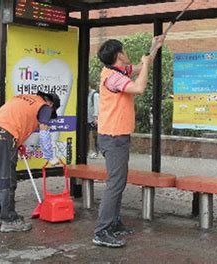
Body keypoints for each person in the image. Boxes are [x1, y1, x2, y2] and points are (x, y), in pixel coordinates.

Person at [92, 35, 165, 248]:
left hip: (117, 135)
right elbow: (139, 87)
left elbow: (142, 67)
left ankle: (113, 223)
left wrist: (154, 47)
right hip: (113, 137)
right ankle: (101, 230)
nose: (126, 52)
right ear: (119, 55)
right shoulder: (113, 78)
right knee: (115, 183)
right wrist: (147, 64)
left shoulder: (116, 71)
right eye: (123, 49)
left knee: (118, 181)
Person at [0, 91, 61, 233]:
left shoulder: (22, 98)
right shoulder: (43, 107)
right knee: (7, 179)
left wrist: (18, 143)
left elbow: (13, 119)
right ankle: (9, 220)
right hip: (4, 137)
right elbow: (44, 133)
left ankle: (0, 213)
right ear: (50, 104)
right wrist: (50, 156)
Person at [87, 86, 99, 159]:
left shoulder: (95, 95)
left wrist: (96, 117)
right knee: (88, 136)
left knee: (94, 136)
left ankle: (95, 152)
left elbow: (97, 107)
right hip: (88, 119)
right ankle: (89, 152)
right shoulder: (87, 95)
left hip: (93, 120)